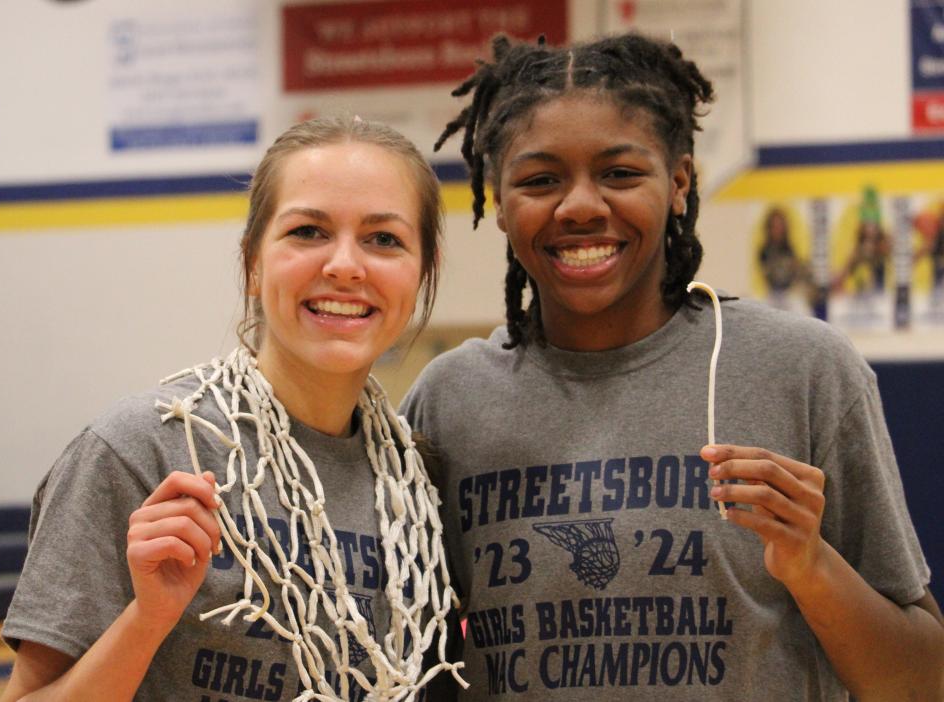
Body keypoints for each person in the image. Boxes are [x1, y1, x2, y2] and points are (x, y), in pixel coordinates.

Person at [401, 33, 944, 700]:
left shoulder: (802, 370)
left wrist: (810, 567)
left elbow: (922, 682)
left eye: (620, 173)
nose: (580, 206)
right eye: (541, 180)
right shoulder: (451, 399)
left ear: (679, 183)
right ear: (499, 200)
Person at [1, 116, 465, 701]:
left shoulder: (418, 484)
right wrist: (148, 620)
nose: (346, 265)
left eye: (384, 239)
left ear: (422, 272)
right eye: (308, 231)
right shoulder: (140, 449)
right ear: (252, 261)